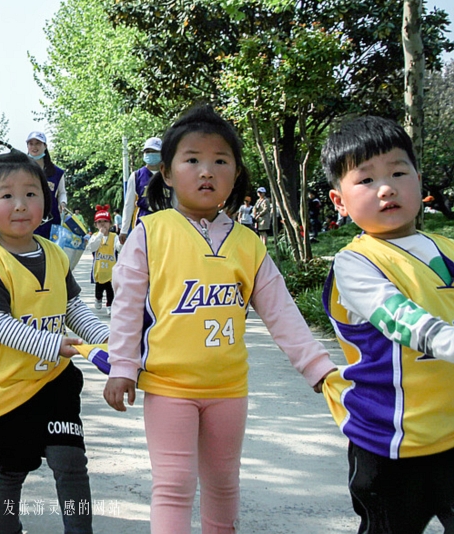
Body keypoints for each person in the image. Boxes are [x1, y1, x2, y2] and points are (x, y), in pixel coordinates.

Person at [103, 105, 336, 533]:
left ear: (235, 173)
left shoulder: (249, 244)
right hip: (169, 388)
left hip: (230, 390)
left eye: (220, 161)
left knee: (224, 486)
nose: (206, 171)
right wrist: (122, 367)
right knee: (173, 486)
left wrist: (318, 367)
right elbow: (127, 307)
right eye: (192, 159)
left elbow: (282, 312)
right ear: (168, 174)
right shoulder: (150, 234)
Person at [0, 139, 110, 534]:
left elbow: (74, 308)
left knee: (71, 464)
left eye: (31, 194)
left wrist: (104, 340)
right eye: (7, 195)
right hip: (11, 388)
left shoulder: (55, 252)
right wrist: (51, 343)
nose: (20, 205)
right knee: (12, 470)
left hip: (56, 382)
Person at [320, 115, 454, 533]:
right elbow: (398, 317)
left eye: (398, 172)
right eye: (366, 180)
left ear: (419, 179)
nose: (386, 188)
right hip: (390, 442)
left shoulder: (447, 247)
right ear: (338, 201)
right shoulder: (355, 262)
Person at [120, 137, 163, 244]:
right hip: (143, 221)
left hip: (165, 222)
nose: (151, 154)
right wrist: (124, 230)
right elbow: (129, 205)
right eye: (148, 151)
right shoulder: (136, 176)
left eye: (155, 151)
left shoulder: (169, 175)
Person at [25, 131, 67, 239]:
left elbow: (62, 192)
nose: (34, 147)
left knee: (49, 251)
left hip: (51, 220)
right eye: (31, 144)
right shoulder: (20, 170)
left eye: (38, 143)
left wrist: (63, 203)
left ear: (45, 146)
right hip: (27, 218)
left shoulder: (57, 172)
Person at [85, 204, 121, 315]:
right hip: (99, 270)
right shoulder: (95, 236)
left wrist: (122, 243)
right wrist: (100, 235)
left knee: (111, 291)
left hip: (111, 271)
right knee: (99, 289)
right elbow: (92, 247)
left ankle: (110, 305)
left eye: (105, 222)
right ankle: (98, 299)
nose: (103, 224)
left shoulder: (114, 237)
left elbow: (119, 248)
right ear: (96, 224)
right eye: (99, 222)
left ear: (110, 224)